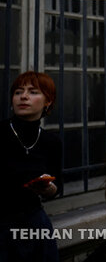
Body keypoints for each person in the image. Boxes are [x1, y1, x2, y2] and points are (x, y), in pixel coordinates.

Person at [1, 71, 62, 262]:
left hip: (36, 223)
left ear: (48, 102)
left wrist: (48, 188)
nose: (24, 96)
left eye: (33, 92)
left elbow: (57, 189)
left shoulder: (51, 141)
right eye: (18, 92)